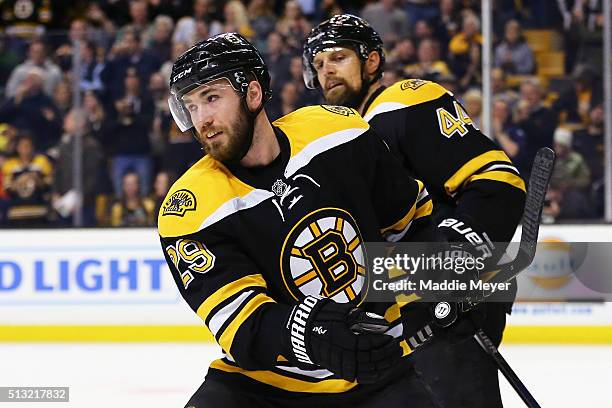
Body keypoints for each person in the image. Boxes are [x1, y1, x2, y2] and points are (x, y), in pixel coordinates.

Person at [159, 33, 441, 408]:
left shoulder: (337, 133)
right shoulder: (191, 207)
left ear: (253, 94)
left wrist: (441, 288)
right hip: (265, 387)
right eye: (191, 107)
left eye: (211, 98)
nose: (202, 120)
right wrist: (315, 329)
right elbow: (245, 329)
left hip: (377, 367)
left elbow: (408, 223)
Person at [303, 14, 527, 408]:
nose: (327, 72)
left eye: (337, 58)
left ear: (371, 62)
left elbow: (498, 180)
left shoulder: (405, 101)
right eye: (319, 65)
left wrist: (457, 252)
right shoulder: (347, 137)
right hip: (401, 317)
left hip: (450, 305)